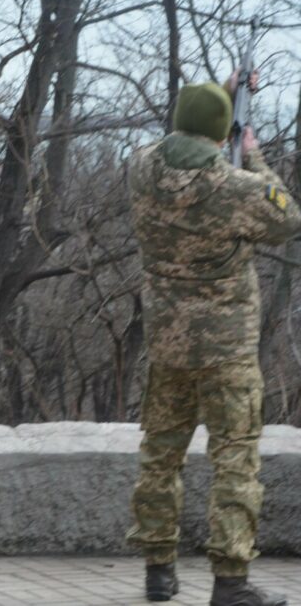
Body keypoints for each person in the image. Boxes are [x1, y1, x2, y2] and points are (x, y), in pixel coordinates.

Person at [125, 70, 298, 606]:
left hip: (168, 346)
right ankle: (230, 582)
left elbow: (178, 139)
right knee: (235, 459)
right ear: (223, 135)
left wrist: (220, 101)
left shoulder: (141, 167)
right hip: (227, 351)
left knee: (160, 455)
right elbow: (288, 217)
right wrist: (256, 156)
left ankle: (158, 572)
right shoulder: (235, 187)